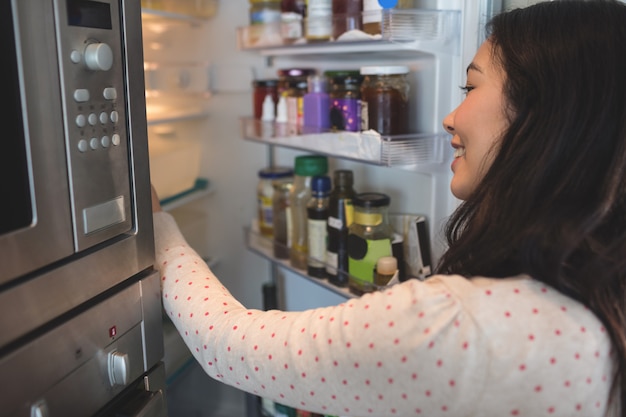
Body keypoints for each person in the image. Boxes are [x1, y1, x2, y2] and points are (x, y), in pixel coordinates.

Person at [152, 1, 626, 415]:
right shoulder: (601, 285)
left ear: (542, 114)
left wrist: (156, 228)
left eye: (469, 89)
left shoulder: (454, 326)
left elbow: (227, 345)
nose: (448, 117)